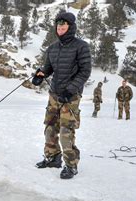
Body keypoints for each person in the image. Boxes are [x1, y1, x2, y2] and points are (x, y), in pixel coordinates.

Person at [33, 12, 91, 179]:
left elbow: (84, 72)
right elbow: (48, 68)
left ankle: (71, 165)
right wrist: (39, 76)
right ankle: (52, 157)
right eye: (58, 25)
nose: (60, 28)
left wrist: (71, 89)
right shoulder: (52, 48)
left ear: (70, 27)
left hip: (70, 96)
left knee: (66, 131)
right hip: (54, 94)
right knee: (49, 128)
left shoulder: (81, 46)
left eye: (63, 25)